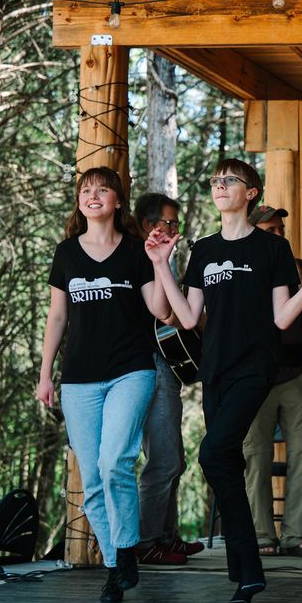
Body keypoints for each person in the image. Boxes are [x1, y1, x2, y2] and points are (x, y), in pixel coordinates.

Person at [145, 159, 302, 603]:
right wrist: (161, 265)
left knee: (212, 452)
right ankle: (247, 573)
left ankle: (246, 569)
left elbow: (283, 316)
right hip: (216, 371)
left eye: (229, 181)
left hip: (256, 369)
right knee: (223, 461)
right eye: (214, 181)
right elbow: (187, 318)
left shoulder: (271, 250)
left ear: (251, 193)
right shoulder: (204, 250)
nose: (219, 186)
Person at [37, 167, 171, 603]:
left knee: (116, 460)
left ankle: (126, 552)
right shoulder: (66, 254)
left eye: (103, 190)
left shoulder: (135, 252)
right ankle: (115, 566)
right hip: (78, 380)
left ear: (117, 202)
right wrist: (45, 374)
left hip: (131, 371)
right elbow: (57, 317)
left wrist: (159, 262)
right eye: (85, 190)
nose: (93, 196)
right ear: (80, 202)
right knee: (92, 479)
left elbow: (161, 311)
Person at [241, 205, 302, 558]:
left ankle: (297, 536)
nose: (278, 235)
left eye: (280, 229)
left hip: (294, 375)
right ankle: (261, 536)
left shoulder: (298, 268)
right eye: (271, 230)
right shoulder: (241, 269)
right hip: (253, 377)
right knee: (255, 456)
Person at [131, 192, 205, 565]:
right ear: (149, 225)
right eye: (170, 223)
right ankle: (147, 542)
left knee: (173, 457)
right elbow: (165, 316)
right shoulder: (139, 259)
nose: (175, 230)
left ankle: (166, 535)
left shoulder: (158, 260)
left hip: (166, 365)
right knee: (162, 459)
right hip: (151, 365)